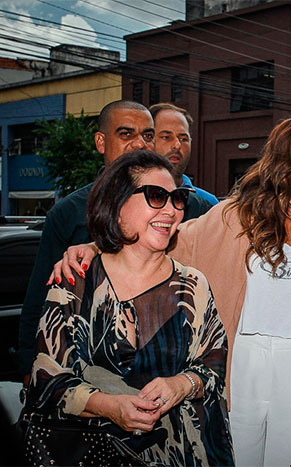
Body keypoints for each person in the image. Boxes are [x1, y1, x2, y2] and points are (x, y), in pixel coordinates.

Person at [52, 112, 291, 466]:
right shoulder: (238, 215)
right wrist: (96, 248)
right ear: (287, 147)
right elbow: (168, 239)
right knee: (233, 458)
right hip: (240, 361)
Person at [28, 150, 234, 466]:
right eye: (156, 196)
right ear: (118, 205)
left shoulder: (192, 284)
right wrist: (108, 406)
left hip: (174, 454)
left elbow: (214, 362)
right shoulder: (78, 278)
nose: (171, 210)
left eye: (177, 198)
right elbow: (47, 374)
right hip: (86, 452)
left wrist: (181, 384)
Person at [18, 101, 210, 381]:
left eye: (147, 135)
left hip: (169, 367)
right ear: (101, 141)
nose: (139, 144)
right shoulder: (70, 212)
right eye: (125, 134)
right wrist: (28, 368)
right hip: (88, 376)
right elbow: (38, 297)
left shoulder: (190, 207)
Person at [149, 103, 220, 205]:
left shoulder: (208, 203)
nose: (177, 145)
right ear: (148, 140)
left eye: (183, 139)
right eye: (166, 137)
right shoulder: (129, 195)